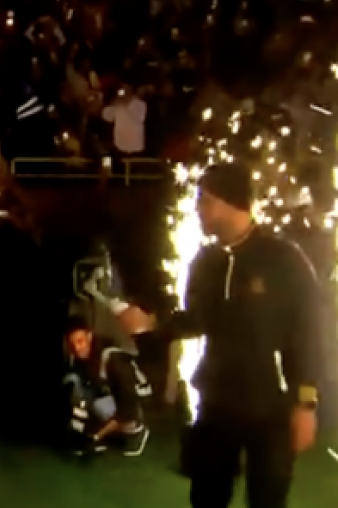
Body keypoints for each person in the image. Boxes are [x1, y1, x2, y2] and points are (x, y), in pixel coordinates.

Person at [120, 162, 321, 508]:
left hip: (270, 408)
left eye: (205, 200)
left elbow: (306, 335)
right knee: (207, 498)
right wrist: (151, 325)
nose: (198, 208)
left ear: (230, 202)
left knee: (268, 500)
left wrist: (306, 404)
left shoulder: (284, 261)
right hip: (216, 404)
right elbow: (196, 319)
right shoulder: (205, 262)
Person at [63, 317, 152, 456]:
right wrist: (78, 432)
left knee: (104, 408)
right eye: (72, 344)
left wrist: (96, 437)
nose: (77, 348)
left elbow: (127, 406)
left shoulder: (112, 358)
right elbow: (82, 399)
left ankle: (137, 431)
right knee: (74, 382)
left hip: (136, 400)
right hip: (113, 397)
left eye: (80, 341)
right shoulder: (78, 360)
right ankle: (87, 435)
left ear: (89, 336)